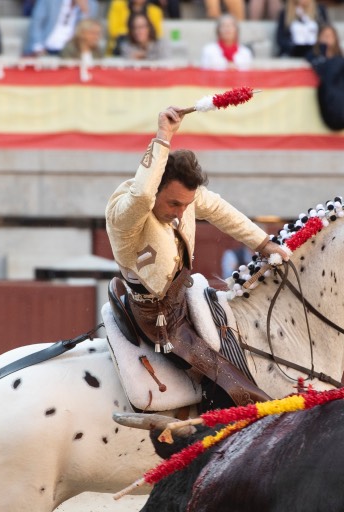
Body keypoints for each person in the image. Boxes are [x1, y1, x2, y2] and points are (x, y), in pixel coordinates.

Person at [105, 107, 290, 406]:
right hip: (158, 318)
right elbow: (141, 195)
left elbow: (218, 209)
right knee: (229, 385)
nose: (180, 213)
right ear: (155, 189)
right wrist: (164, 135)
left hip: (182, 297)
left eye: (185, 205)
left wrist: (265, 244)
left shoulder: (184, 199)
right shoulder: (126, 214)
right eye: (173, 204)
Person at [24, 0, 99, 57]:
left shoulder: (91, 4)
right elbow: (36, 24)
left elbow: (88, 31)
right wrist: (38, 48)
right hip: (46, 48)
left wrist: (85, 11)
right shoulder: (49, 1)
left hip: (71, 52)